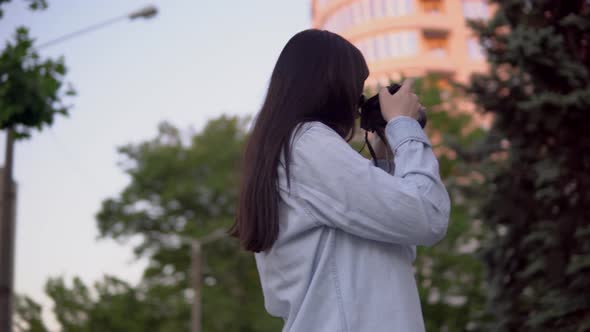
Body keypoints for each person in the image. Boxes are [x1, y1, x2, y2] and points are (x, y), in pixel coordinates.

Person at [229, 29, 450, 332]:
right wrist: (404, 127)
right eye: (357, 88)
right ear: (333, 86)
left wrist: (384, 161)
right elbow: (427, 215)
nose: (358, 102)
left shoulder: (291, 149)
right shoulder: (306, 144)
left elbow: (395, 239)